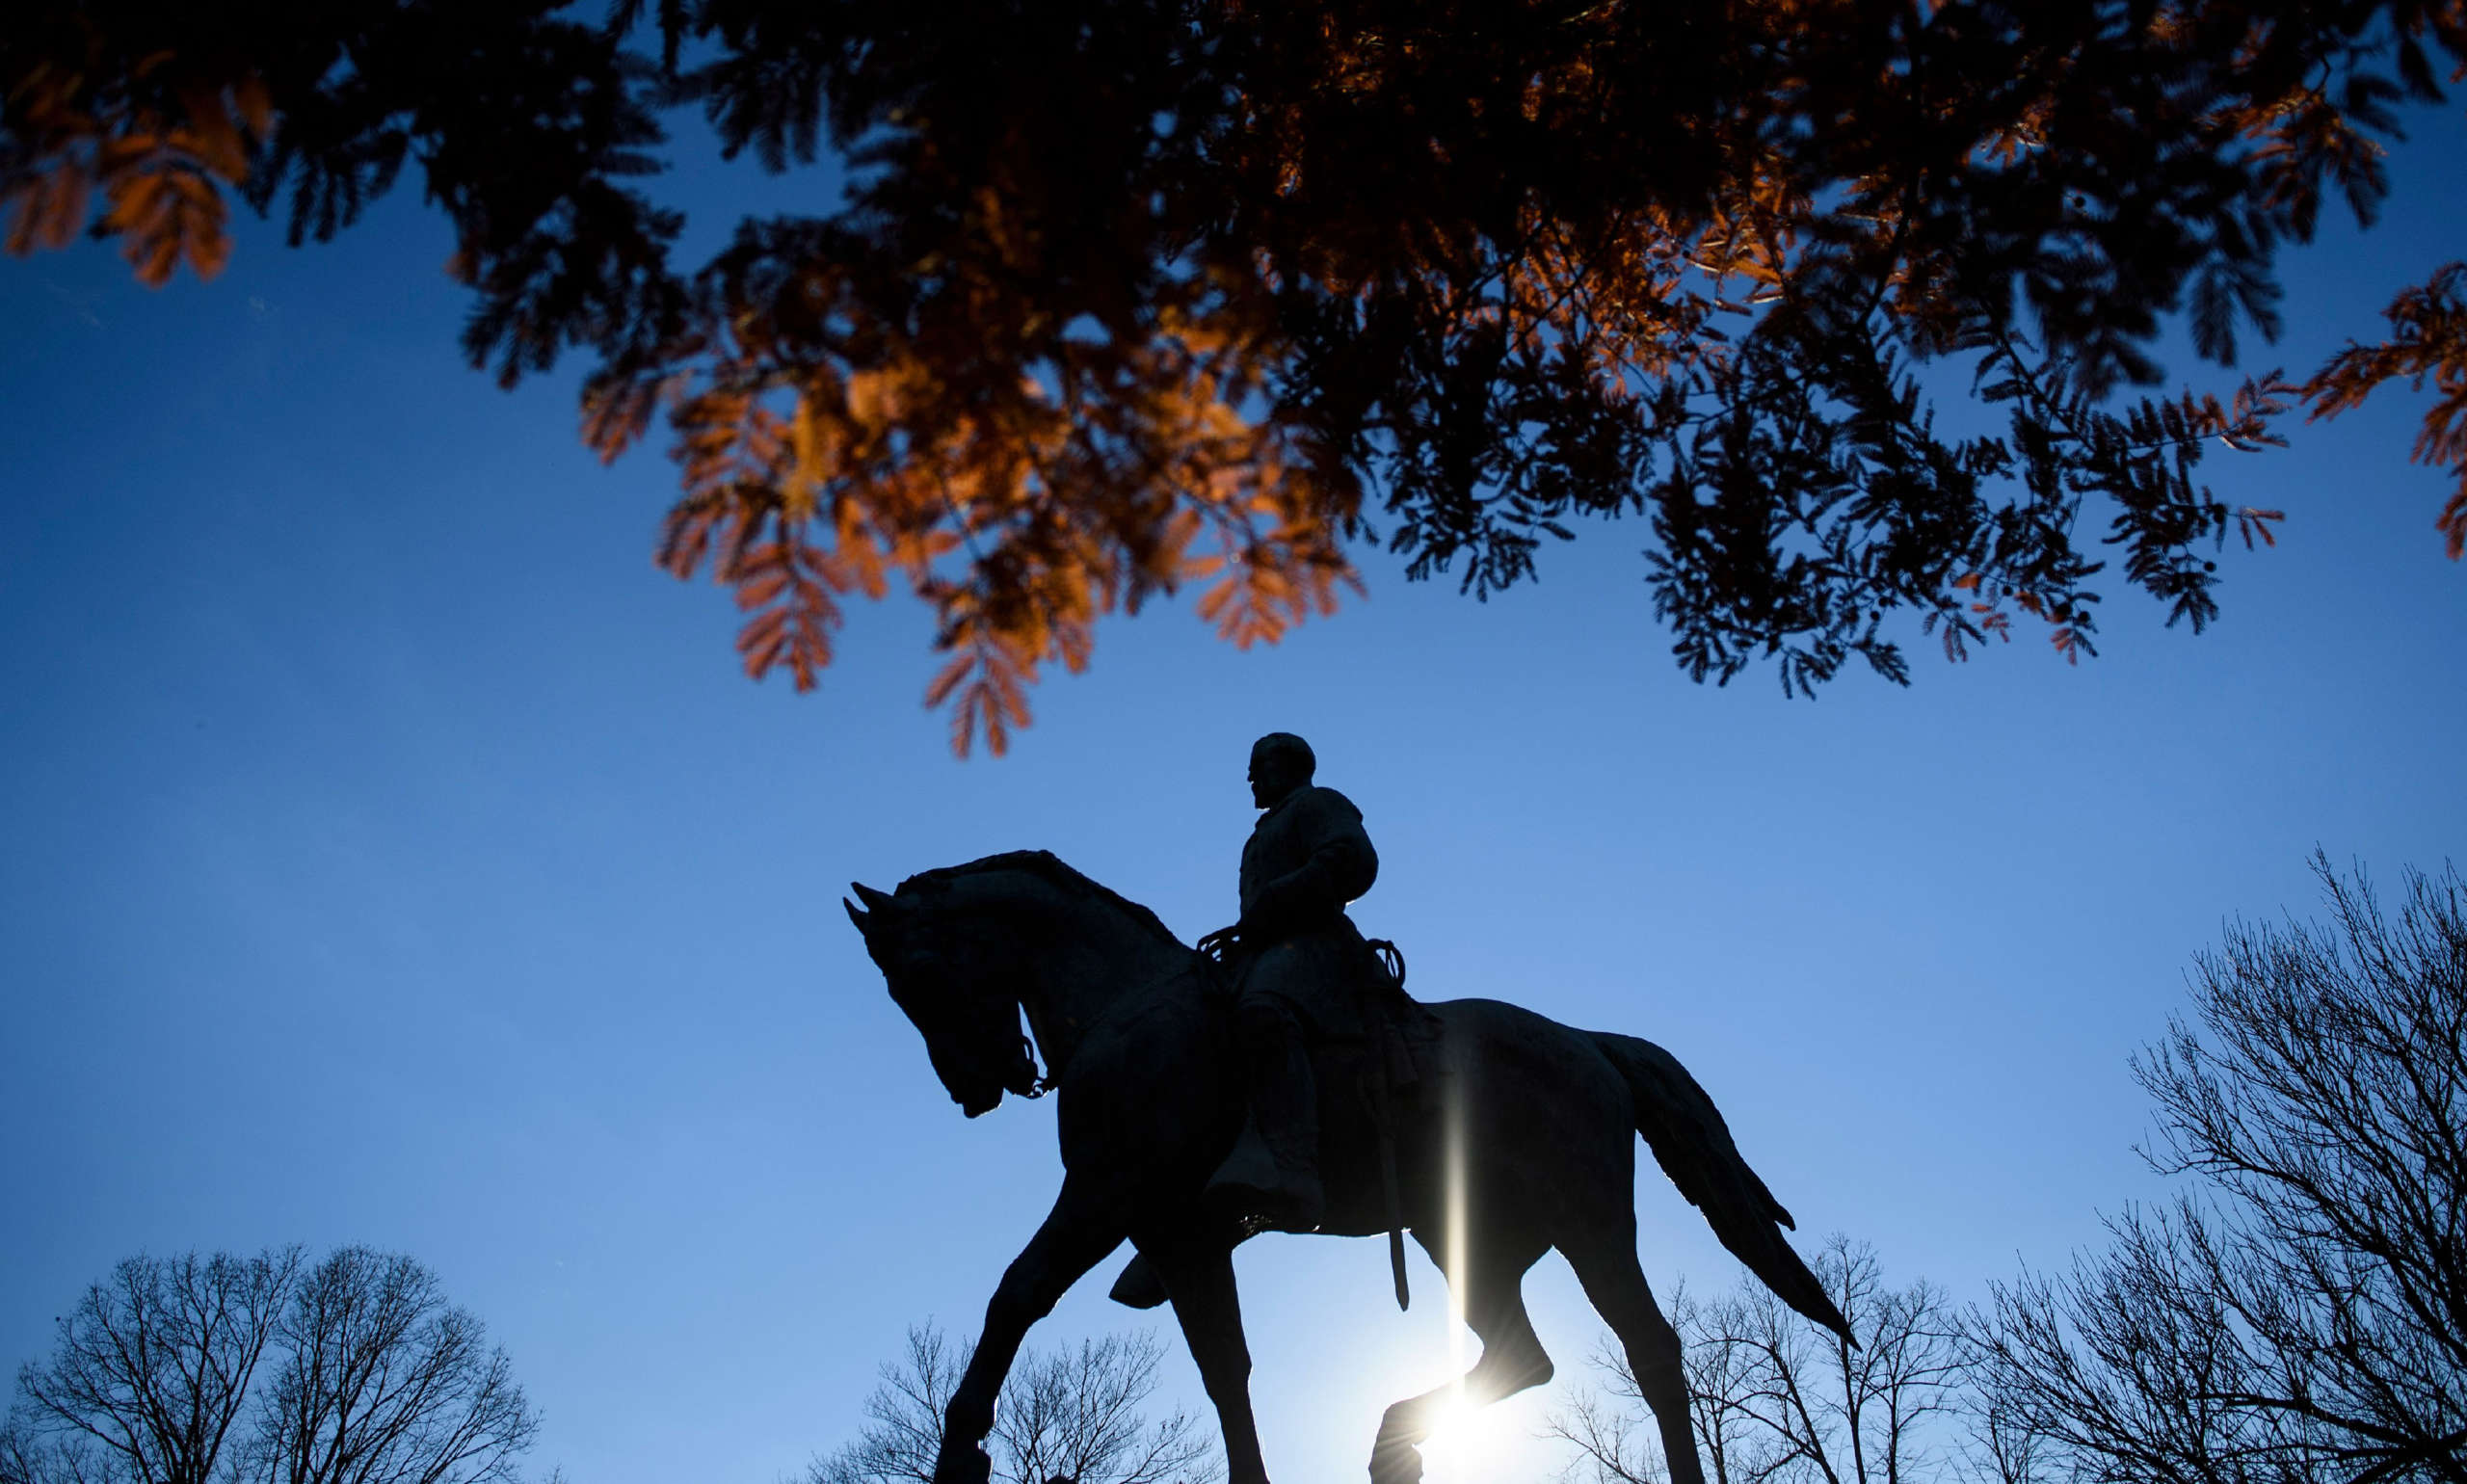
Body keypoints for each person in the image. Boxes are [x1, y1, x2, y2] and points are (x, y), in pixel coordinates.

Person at [1195, 732, 1378, 1233]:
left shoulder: (1319, 803)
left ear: (1290, 765)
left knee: (1263, 1013)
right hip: (1262, 952)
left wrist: (1284, 894)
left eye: (1259, 764)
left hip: (1316, 946)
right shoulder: (1262, 833)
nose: (1250, 776)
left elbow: (1352, 858)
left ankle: (1294, 1167)